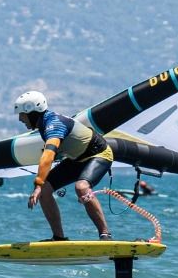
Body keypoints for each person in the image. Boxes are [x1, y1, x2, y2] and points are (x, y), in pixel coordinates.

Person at [12, 90, 113, 240]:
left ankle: (105, 234)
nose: (20, 119)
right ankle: (58, 237)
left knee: (81, 187)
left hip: (98, 154)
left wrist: (38, 183)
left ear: (33, 113)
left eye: (22, 114)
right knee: (45, 189)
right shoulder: (44, 123)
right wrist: (41, 185)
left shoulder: (53, 124)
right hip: (76, 159)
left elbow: (48, 155)